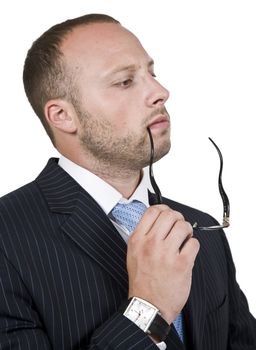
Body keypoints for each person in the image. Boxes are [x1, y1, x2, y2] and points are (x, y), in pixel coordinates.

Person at [0, 13, 255, 350]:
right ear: (63, 116)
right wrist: (149, 309)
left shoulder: (203, 232)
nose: (161, 92)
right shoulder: (7, 235)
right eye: (125, 81)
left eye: (152, 73)